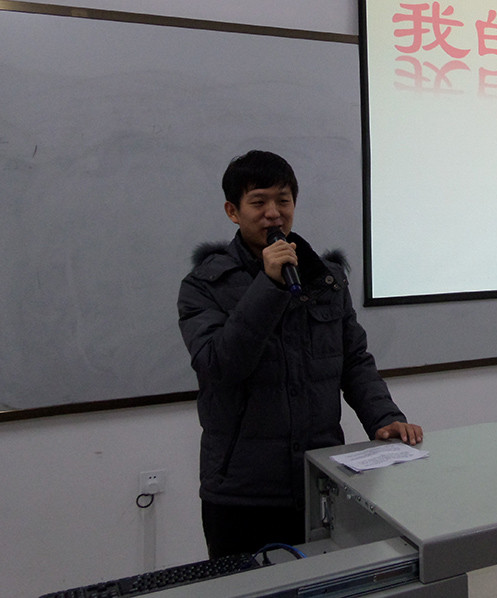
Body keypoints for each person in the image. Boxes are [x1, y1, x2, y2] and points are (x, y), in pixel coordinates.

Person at [177, 150, 422, 559]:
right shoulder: (204, 286)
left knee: (323, 585)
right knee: (245, 588)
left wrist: (384, 418)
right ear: (233, 211)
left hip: (320, 479)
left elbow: (354, 361)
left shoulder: (324, 278)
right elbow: (220, 366)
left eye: (283, 200)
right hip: (242, 494)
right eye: (258, 202)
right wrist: (269, 286)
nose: (273, 213)